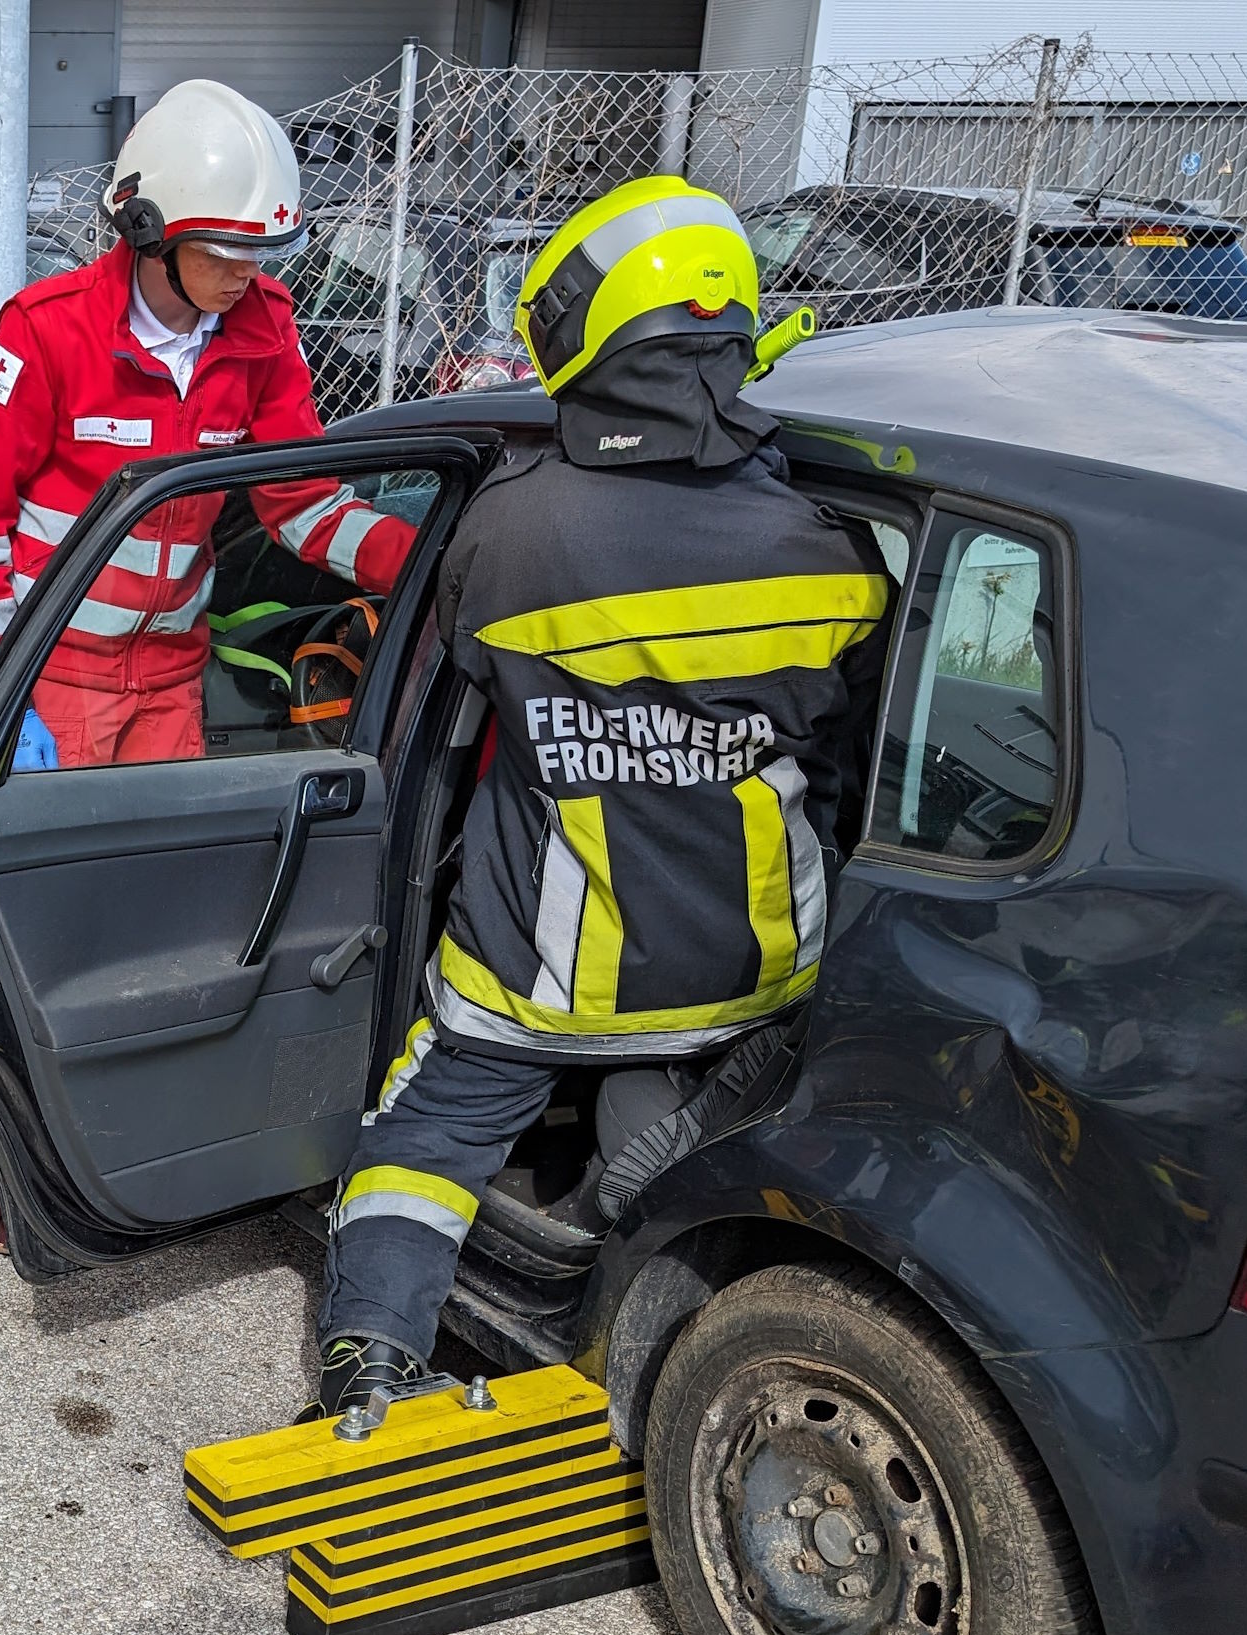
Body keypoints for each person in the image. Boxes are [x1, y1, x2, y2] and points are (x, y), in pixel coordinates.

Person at [313, 176, 892, 1419]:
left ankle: (372, 1355)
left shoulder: (511, 535)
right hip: (762, 979)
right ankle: (644, 1170)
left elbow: (453, 691)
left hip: (551, 989)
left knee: (421, 1142)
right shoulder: (831, 546)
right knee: (664, 1077)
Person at [0, 78, 417, 774]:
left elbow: (305, 506)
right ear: (150, 234)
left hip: (172, 685)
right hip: (53, 682)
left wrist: (433, 560)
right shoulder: (47, 331)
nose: (243, 277)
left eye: (258, 256)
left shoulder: (266, 331)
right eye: (221, 254)